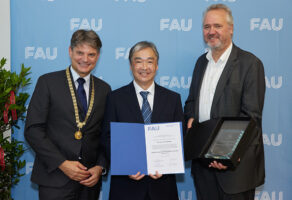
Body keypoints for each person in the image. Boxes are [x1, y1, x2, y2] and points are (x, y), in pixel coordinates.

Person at [184, 4, 265, 200]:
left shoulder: (250, 64)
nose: (211, 32)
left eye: (217, 26)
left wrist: (225, 155)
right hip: (203, 168)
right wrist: (190, 118)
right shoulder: (200, 63)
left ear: (231, 28)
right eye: (206, 27)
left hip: (235, 170)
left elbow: (251, 117)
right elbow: (191, 102)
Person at [24, 29, 111, 200]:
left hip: (89, 183)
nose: (85, 59)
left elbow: (107, 134)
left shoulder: (104, 89)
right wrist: (62, 164)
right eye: (80, 53)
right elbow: (33, 130)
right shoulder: (47, 82)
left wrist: (100, 167)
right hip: (54, 179)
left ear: (98, 56)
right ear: (70, 51)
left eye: (91, 54)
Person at [102, 41, 184, 200]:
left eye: (150, 61)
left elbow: (180, 138)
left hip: (163, 188)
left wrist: (166, 166)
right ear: (131, 66)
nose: (144, 67)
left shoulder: (173, 99)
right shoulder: (115, 98)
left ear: (157, 66)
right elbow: (106, 138)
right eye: (138, 61)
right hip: (126, 188)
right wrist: (126, 167)